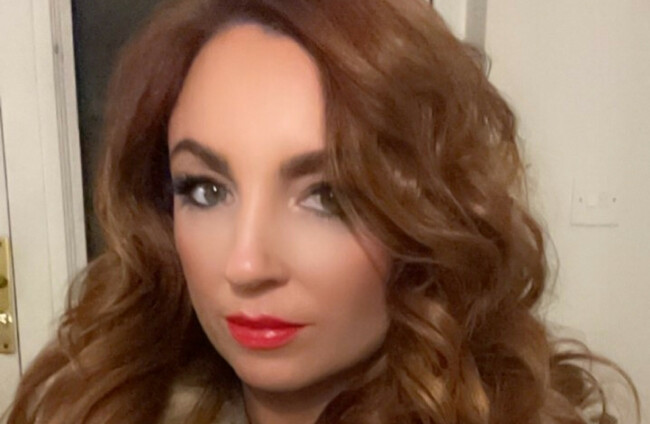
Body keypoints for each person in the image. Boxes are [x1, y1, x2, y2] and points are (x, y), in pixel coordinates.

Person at [5, 0, 639, 423]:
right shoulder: (94, 406)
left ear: (429, 213)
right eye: (205, 190)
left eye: (328, 195)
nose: (246, 265)